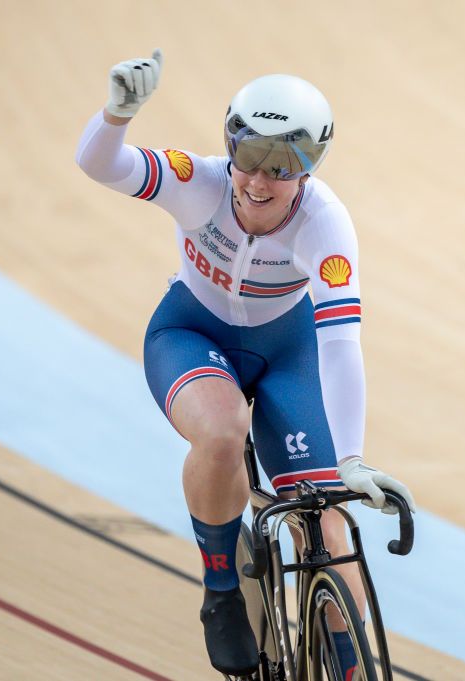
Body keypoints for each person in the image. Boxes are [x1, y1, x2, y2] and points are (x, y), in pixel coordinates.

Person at [76, 49, 416, 677]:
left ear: (311, 167)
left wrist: (351, 460)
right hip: (190, 333)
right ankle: (222, 590)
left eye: (282, 166)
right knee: (223, 431)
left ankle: (351, 667)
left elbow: (340, 343)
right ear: (229, 145)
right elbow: (101, 164)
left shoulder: (325, 224)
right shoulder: (197, 181)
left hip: (287, 354)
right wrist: (117, 115)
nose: (259, 181)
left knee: (331, 530)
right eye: (250, 157)